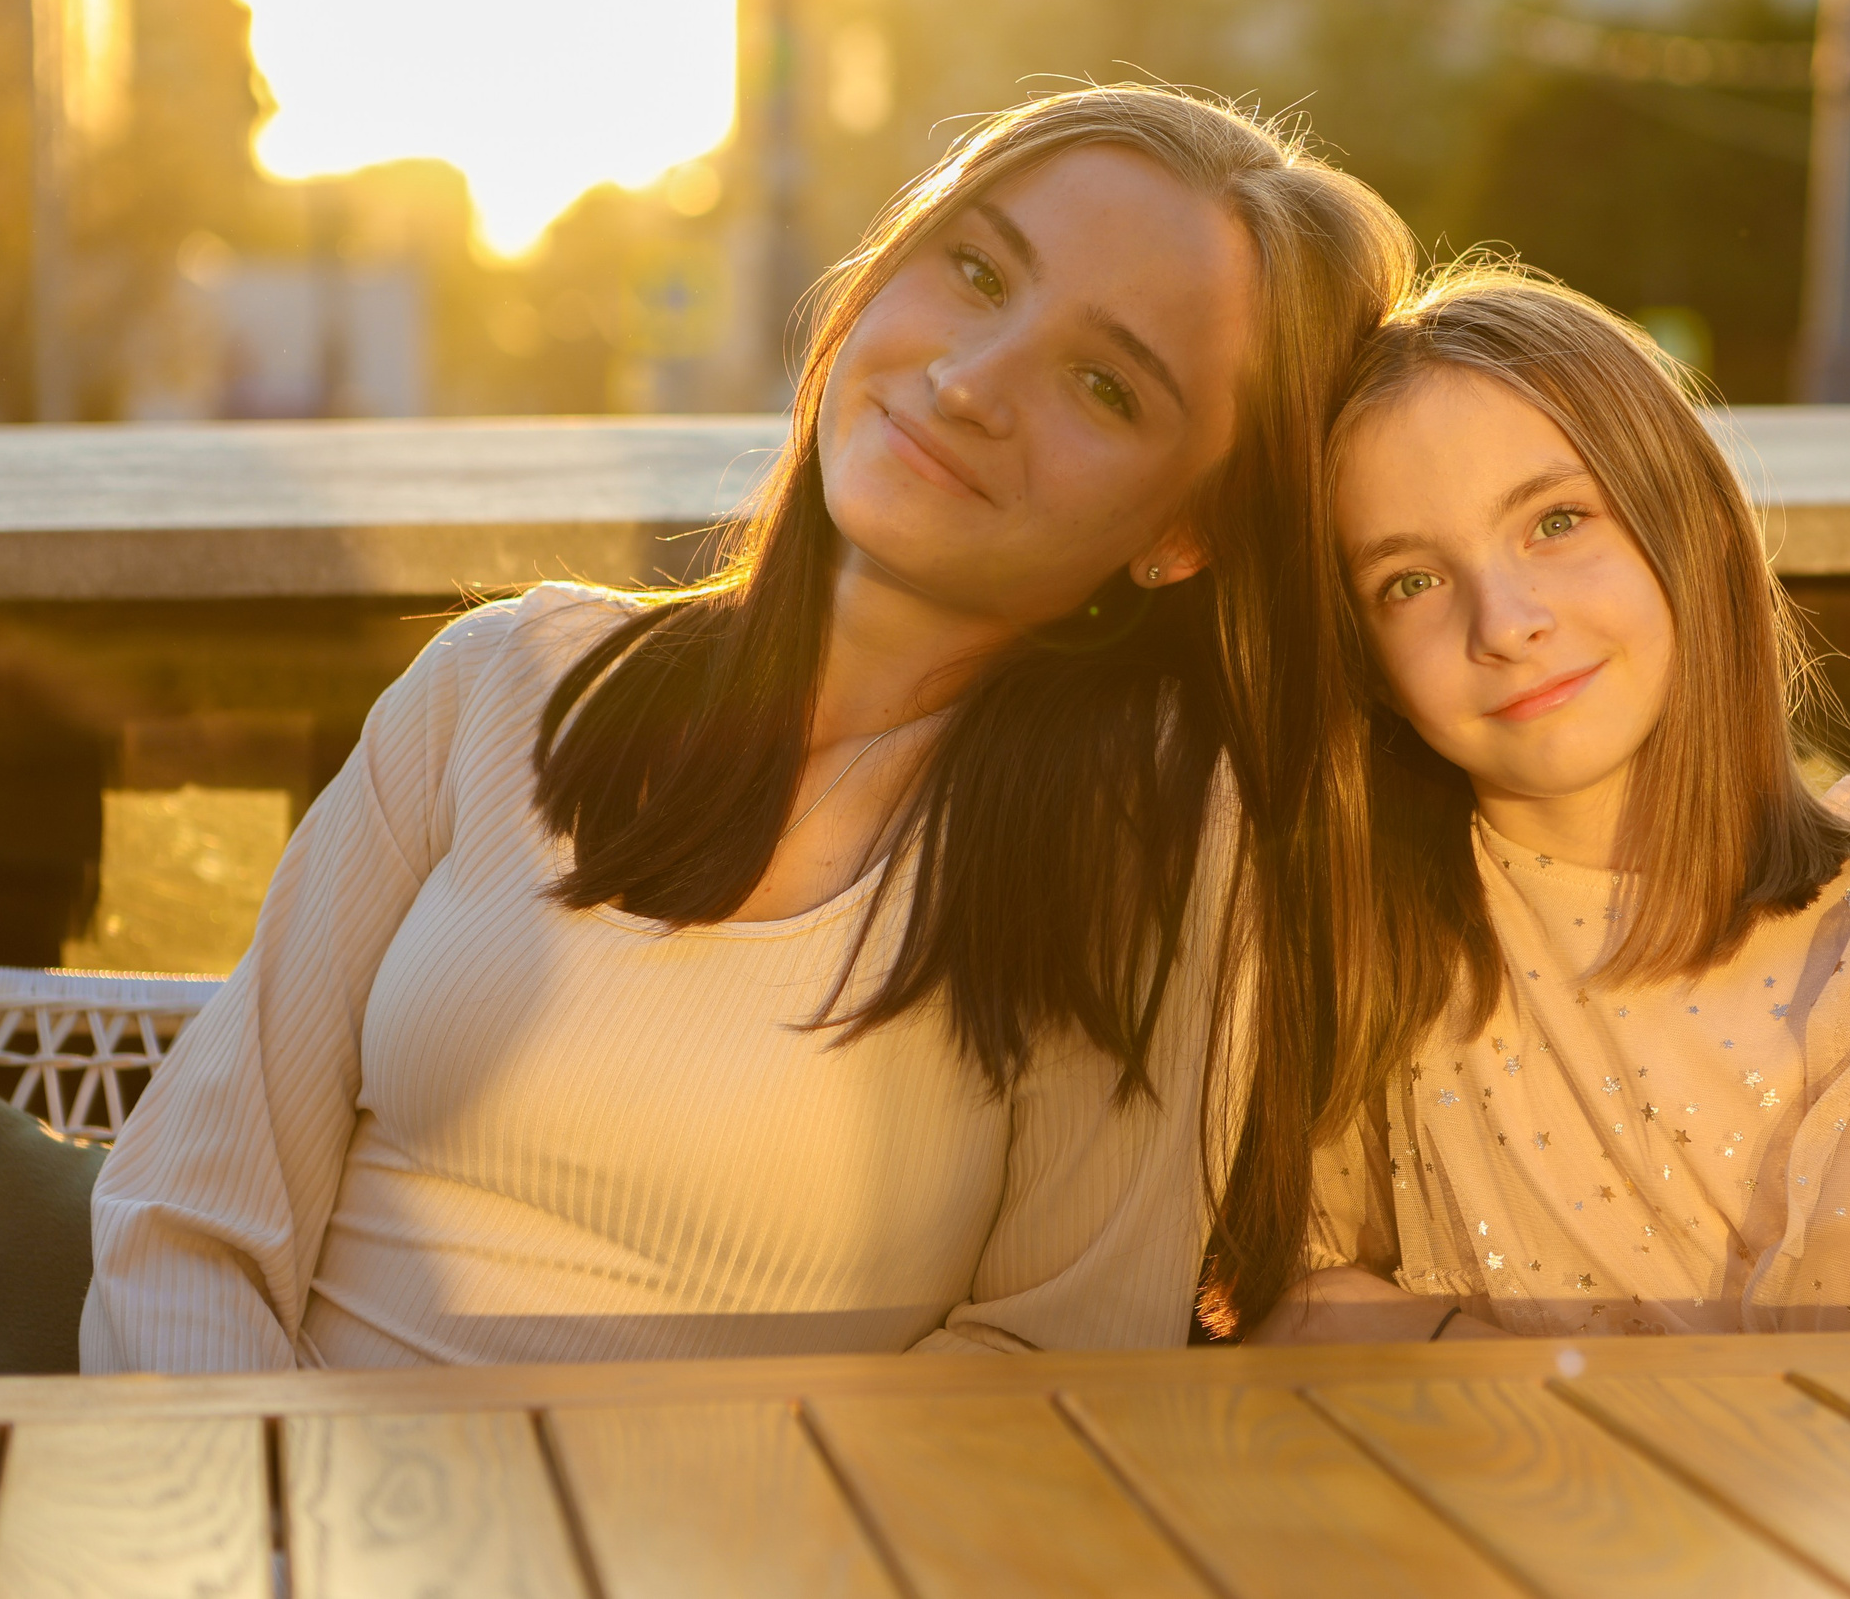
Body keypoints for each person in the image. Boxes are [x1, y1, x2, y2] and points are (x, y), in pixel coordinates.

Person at [83, 87, 1414, 1372]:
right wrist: (257, 1527)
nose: (968, 381)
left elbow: (1038, 1369)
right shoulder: (498, 679)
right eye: (979, 273)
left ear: (1184, 531)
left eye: (1107, 386)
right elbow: (183, 1221)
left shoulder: (1139, 848)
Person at [1258, 265, 1850, 1343]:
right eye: (1408, 582)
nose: (1503, 622)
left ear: (1685, 525)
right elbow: (1288, 1316)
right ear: (1364, 664)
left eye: (1555, 521)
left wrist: (1449, 1350)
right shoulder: (1361, 942)